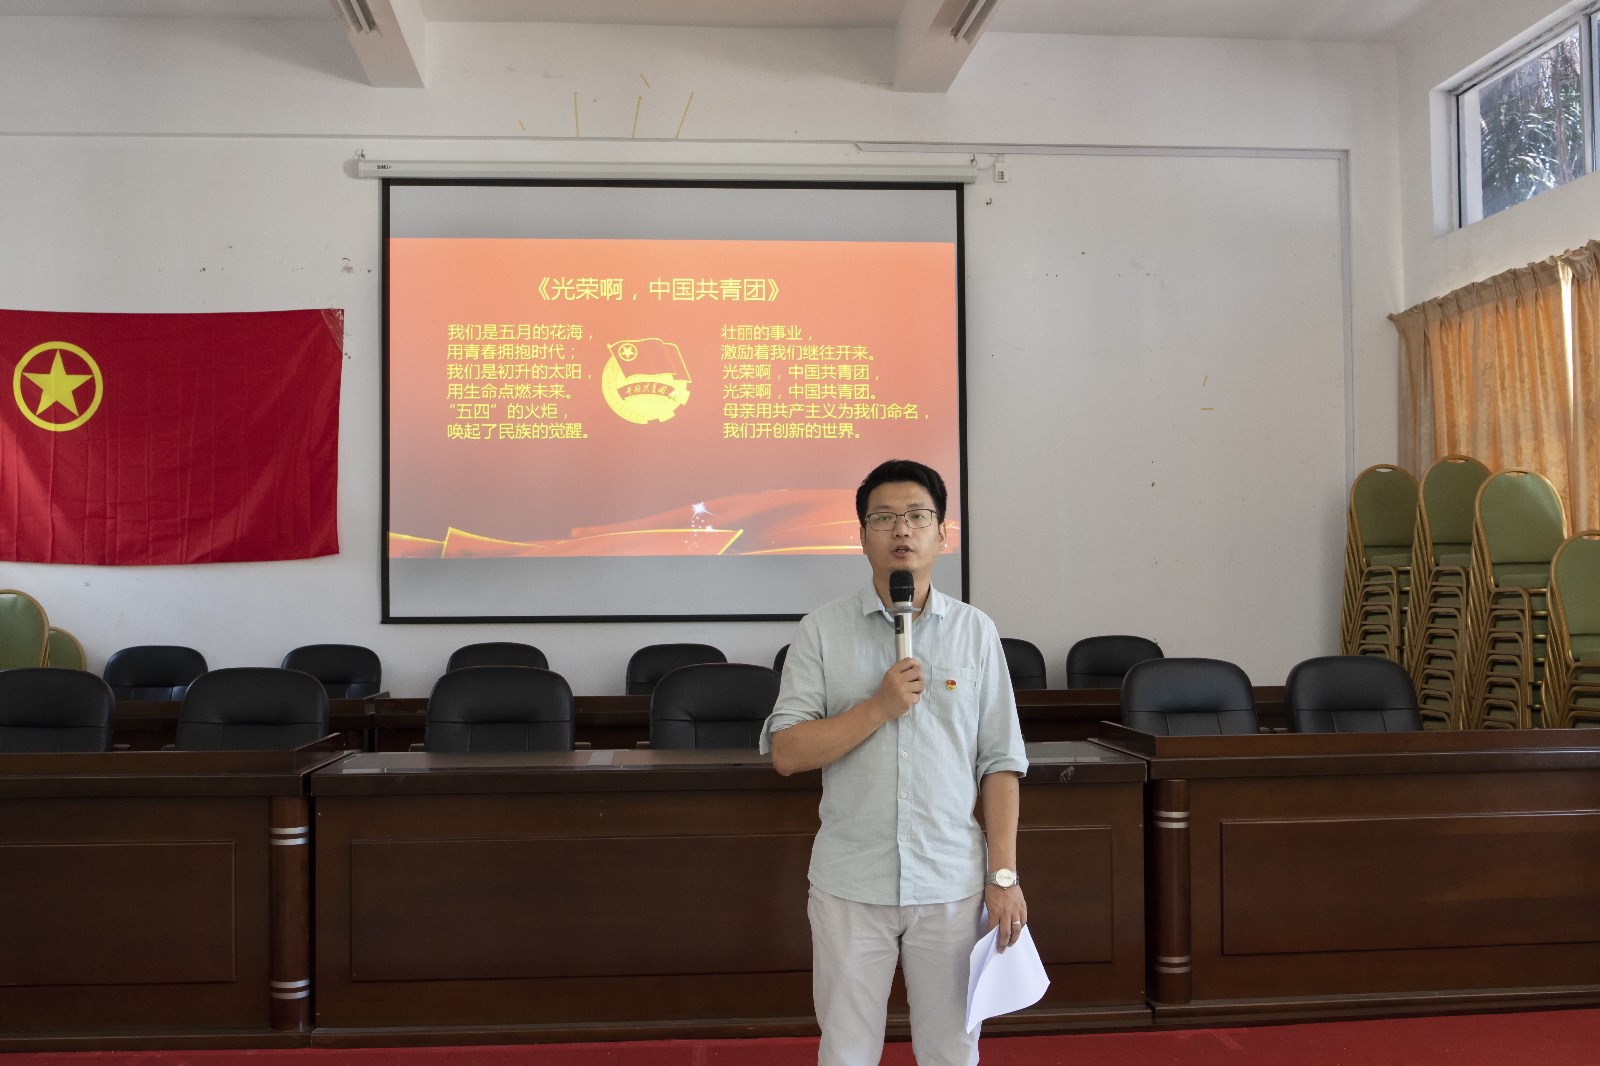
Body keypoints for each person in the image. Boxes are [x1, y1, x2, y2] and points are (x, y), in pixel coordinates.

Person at [760, 459, 1029, 1066]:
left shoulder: (975, 632)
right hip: (852, 882)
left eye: (917, 516)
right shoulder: (821, 632)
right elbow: (787, 753)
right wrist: (877, 708)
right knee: (847, 1050)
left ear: (942, 533)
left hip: (951, 882)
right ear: (862, 536)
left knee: (951, 1049)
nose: (901, 530)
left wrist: (1003, 876)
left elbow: (1000, 762)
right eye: (883, 518)